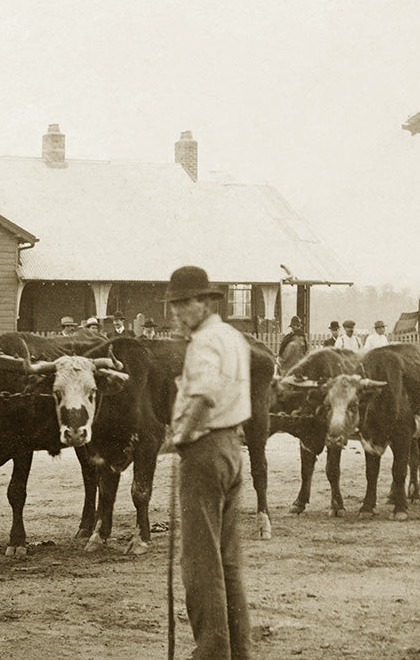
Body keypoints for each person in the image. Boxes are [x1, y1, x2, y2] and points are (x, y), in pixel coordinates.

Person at [165, 265, 251, 659]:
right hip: (233, 449)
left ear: (205, 302)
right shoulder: (232, 336)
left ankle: (212, 653)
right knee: (228, 562)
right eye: (176, 304)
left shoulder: (203, 343)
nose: (179, 312)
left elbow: (204, 394)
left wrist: (179, 436)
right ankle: (239, 652)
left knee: (200, 563)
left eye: (185, 303)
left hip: (204, 453)